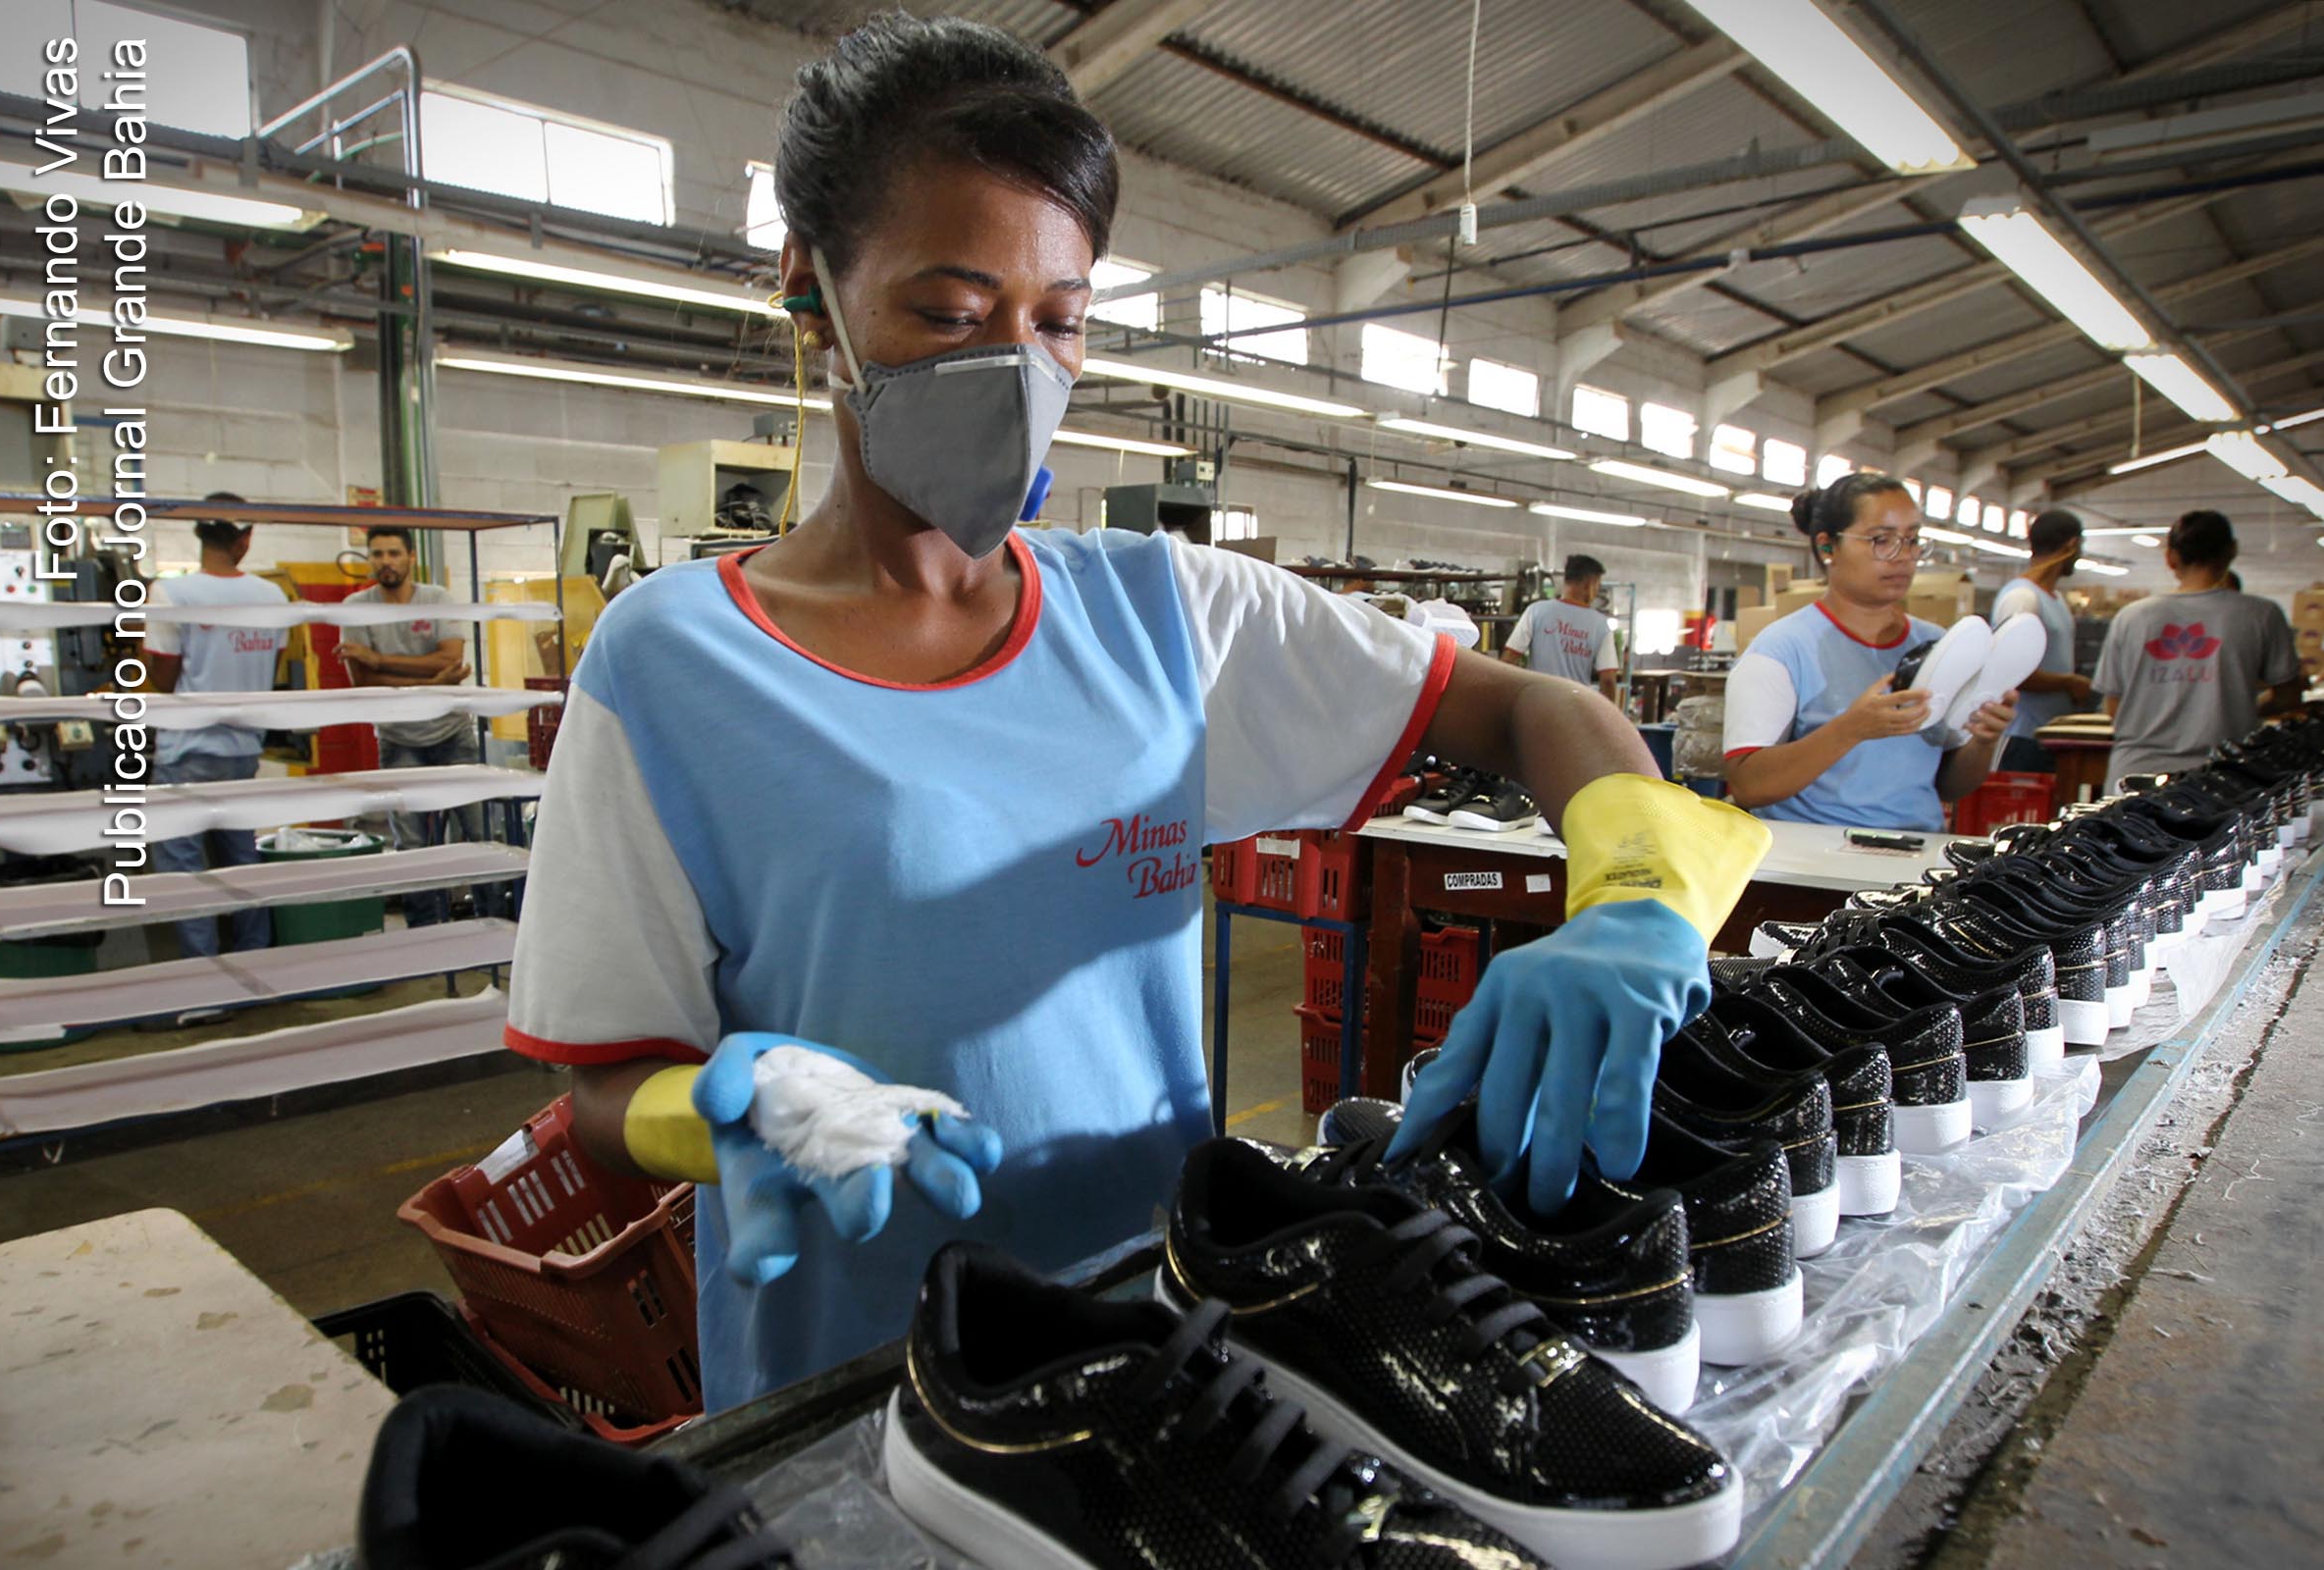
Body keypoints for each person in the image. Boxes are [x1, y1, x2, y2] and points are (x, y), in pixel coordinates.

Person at [503, 14, 1769, 1413]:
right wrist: (723, 1110)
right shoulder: (671, 667)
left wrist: (1637, 899)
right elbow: (607, 1107)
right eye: (948, 312)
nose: (1015, 370)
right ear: (809, 283)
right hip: (864, 1398)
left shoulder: (1168, 615)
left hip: (1167, 1356)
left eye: (1056, 322)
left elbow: (1529, 710)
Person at [1721, 472, 2019, 831]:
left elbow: (1947, 786)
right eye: (1882, 540)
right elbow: (1748, 786)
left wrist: (1984, 741)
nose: (1903, 557)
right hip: (1814, 864)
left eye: (1912, 540)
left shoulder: (1940, 647)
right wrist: (1851, 729)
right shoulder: (1780, 651)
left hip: (1915, 858)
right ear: (1827, 546)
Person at [142, 498, 289, 962]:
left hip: (186, 749)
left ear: (199, 536)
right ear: (245, 538)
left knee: (184, 873)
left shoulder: (172, 594)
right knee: (242, 863)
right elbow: (274, 668)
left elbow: (164, 678)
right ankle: (254, 962)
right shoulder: (273, 598)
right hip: (243, 750)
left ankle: (203, 985)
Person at [337, 525, 492, 925]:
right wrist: (430, 683)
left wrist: (377, 658)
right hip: (398, 737)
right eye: (377, 554)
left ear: (410, 558)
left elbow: (449, 660)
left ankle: (497, 919)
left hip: (451, 732)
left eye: (393, 553)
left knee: (478, 830)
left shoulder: (435, 599)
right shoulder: (356, 607)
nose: (385, 561)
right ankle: (424, 930)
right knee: (411, 843)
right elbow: (365, 684)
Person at [2093, 510, 2302, 780]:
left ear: (2170, 558)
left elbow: (2113, 707)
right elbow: (2288, 696)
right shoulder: (2262, 615)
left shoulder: (2131, 617)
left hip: (2136, 774)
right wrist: (2241, 707)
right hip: (2223, 778)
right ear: (2232, 551)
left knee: (2131, 826)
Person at [1989, 507, 2092, 772]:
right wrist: (2069, 682)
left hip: (2050, 734)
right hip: (2023, 736)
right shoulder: (2022, 598)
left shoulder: (2054, 600)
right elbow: (2010, 672)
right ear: (2072, 545)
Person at [1504, 552, 1620, 700]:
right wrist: (1609, 717)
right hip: (1576, 706)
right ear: (1589, 584)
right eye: (1597, 586)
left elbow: (1508, 660)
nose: (1596, 592)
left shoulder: (1536, 611)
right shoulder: (1600, 625)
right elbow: (1608, 680)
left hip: (1536, 703)